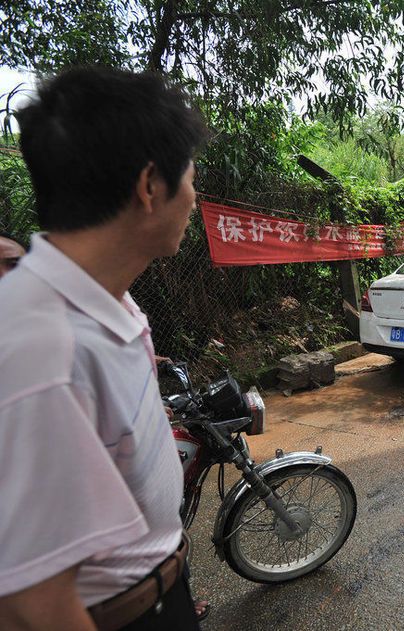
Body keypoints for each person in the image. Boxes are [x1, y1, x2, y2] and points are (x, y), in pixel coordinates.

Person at [0, 67, 207, 630]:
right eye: (189, 175)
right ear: (149, 187)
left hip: (161, 588)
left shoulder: (107, 299)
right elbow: (30, 604)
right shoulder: (40, 349)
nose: (193, 196)